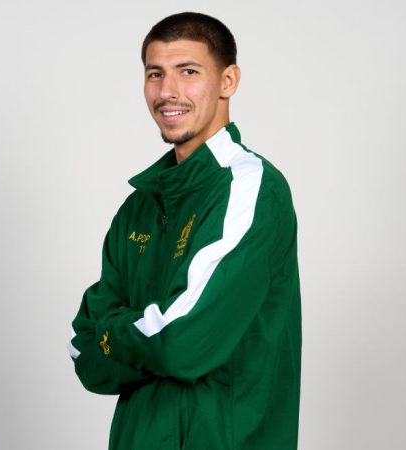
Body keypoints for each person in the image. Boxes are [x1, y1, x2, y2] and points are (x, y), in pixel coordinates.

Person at [69, 12, 301, 450]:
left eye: (188, 72)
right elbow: (83, 353)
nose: (167, 92)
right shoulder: (138, 208)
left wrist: (115, 331)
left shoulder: (249, 188)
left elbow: (180, 343)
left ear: (228, 81)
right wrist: (146, 333)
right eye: (155, 74)